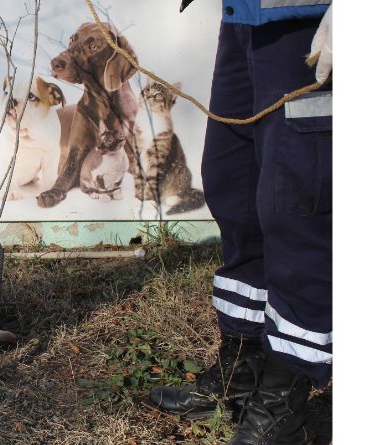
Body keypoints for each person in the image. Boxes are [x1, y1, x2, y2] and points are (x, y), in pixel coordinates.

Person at [149, 1, 332, 444]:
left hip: (306, 24)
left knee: (295, 205)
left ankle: (283, 401)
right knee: (234, 186)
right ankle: (241, 375)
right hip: (246, 19)